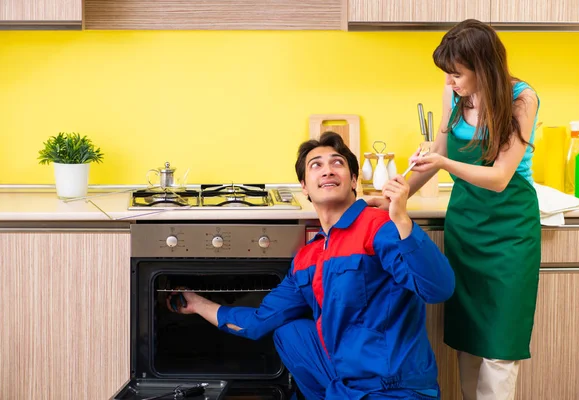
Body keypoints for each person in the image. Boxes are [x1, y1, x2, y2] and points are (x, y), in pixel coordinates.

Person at [167, 131, 455, 399]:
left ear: (354, 180)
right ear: (304, 187)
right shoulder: (307, 258)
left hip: (395, 388)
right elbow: (257, 323)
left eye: (337, 163)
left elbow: (438, 288)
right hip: (344, 388)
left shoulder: (379, 225)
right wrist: (195, 303)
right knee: (287, 330)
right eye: (316, 165)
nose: (327, 170)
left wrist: (402, 218)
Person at [368, 19, 541, 400]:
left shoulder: (522, 99)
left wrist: (444, 165)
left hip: (510, 230)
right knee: (468, 341)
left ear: (484, 67)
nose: (450, 82)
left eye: (457, 74)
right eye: (447, 74)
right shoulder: (454, 94)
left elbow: (499, 177)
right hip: (466, 225)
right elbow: (439, 153)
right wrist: (399, 194)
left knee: (501, 345)